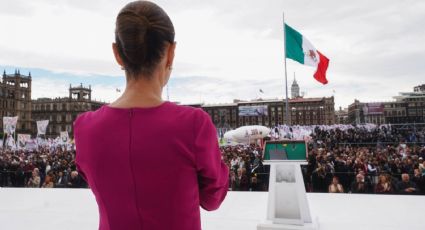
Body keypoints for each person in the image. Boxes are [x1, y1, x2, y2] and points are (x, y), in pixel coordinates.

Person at [73, 1, 228, 230]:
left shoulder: (85, 127)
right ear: (170, 53)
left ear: (117, 53)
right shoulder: (194, 124)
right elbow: (213, 199)